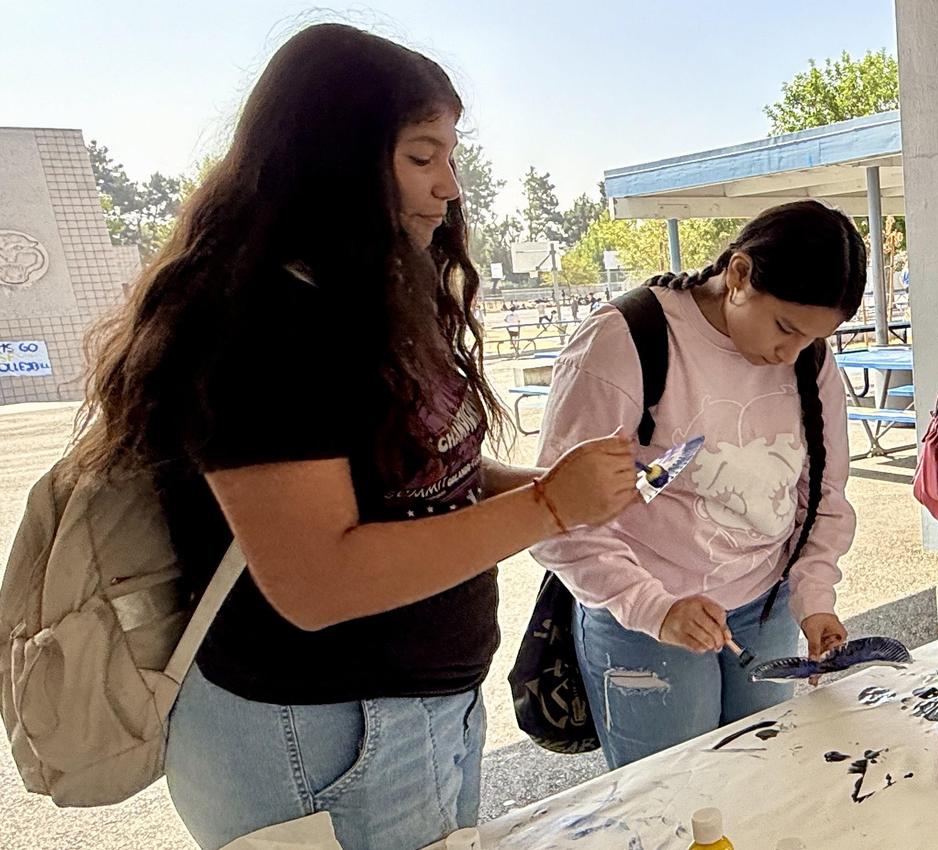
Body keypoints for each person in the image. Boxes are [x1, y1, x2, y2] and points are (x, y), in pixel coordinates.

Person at [71, 24, 640, 850]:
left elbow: (420, 477)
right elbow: (318, 579)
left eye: (452, 154)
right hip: (321, 732)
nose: (449, 186)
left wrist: (571, 490)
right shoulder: (261, 322)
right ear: (332, 157)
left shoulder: (367, 296)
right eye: (420, 156)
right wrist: (551, 507)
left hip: (411, 712)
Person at [532, 200, 862, 770]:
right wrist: (654, 609)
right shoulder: (627, 338)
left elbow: (824, 494)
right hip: (645, 617)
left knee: (759, 779)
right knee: (671, 801)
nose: (790, 353)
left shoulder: (808, 360)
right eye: (785, 327)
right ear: (738, 275)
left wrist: (813, 599)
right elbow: (560, 517)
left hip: (767, 604)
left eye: (810, 340)